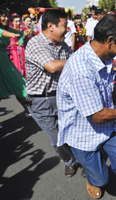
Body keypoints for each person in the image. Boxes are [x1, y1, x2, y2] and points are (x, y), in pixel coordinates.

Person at [56, 14, 116, 199]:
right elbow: (97, 115)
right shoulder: (81, 70)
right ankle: (94, 179)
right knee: (102, 179)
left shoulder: (106, 56)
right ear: (110, 41)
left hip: (108, 126)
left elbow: (108, 88)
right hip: (83, 134)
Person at [25, 9, 77, 176]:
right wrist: (76, 60)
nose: (67, 30)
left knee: (71, 132)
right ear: (51, 26)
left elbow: (74, 66)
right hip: (40, 101)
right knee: (56, 140)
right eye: (64, 26)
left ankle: (85, 161)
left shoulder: (63, 46)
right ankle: (70, 161)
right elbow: (52, 66)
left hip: (61, 97)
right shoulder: (35, 43)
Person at [0, 6, 32, 117]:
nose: (5, 18)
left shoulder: (7, 29)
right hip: (3, 61)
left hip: (4, 61)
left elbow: (20, 33)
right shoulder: (4, 31)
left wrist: (27, 32)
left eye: (7, 16)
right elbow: (3, 33)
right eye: (3, 16)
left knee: (17, 83)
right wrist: (13, 35)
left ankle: (28, 108)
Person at [8, 13, 27, 77]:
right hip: (14, 51)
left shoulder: (22, 30)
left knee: (23, 64)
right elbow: (8, 43)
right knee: (16, 65)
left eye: (19, 21)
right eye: (16, 21)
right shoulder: (10, 31)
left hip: (22, 50)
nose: (18, 23)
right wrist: (16, 43)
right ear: (12, 22)